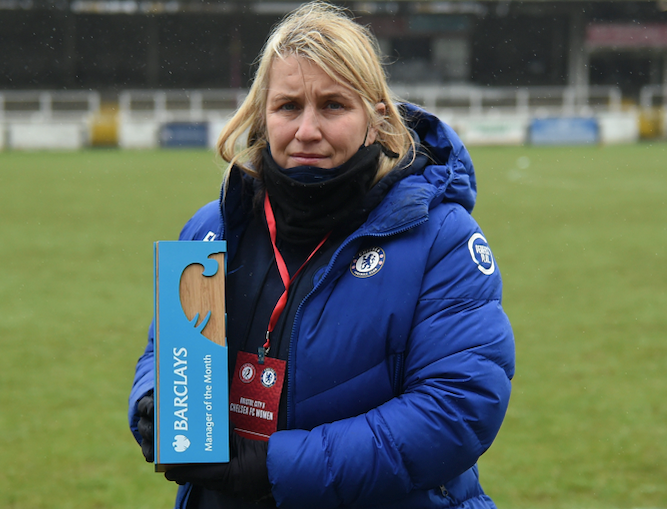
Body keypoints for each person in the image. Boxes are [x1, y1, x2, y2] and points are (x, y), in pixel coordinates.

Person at [128, 2, 515, 508]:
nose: (306, 130)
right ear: (264, 116)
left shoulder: (443, 239)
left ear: (376, 119)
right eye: (288, 106)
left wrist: (274, 468)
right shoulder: (213, 228)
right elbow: (168, 351)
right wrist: (154, 402)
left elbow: (456, 409)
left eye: (333, 105)